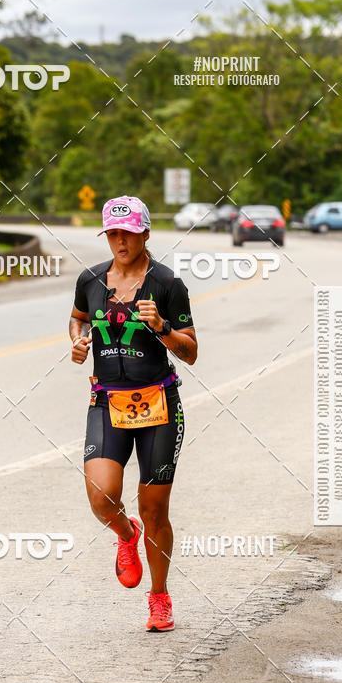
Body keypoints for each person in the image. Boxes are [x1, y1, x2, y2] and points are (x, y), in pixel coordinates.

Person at [69, 195, 197, 632]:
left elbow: (192, 352)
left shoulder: (166, 284)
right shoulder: (90, 279)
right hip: (107, 400)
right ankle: (126, 533)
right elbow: (78, 318)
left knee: (155, 508)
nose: (119, 241)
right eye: (112, 234)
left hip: (159, 404)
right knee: (101, 496)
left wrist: (161, 327)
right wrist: (79, 341)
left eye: (127, 232)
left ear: (145, 233)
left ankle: (159, 598)